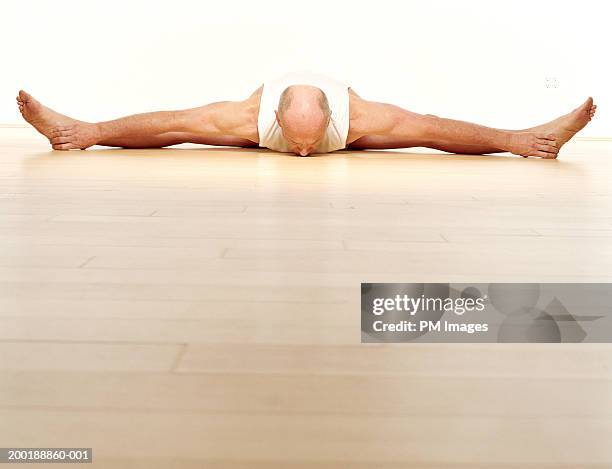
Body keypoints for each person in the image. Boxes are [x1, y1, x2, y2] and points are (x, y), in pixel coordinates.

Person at [16, 71, 597, 159]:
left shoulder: (359, 114)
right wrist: (93, 130)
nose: (303, 158)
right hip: (259, 121)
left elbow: (441, 132)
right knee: (186, 122)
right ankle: (78, 133)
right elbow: (166, 123)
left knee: (425, 128)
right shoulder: (247, 114)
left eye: (308, 146)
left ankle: (527, 141)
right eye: (297, 148)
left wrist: (511, 136)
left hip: (346, 119)